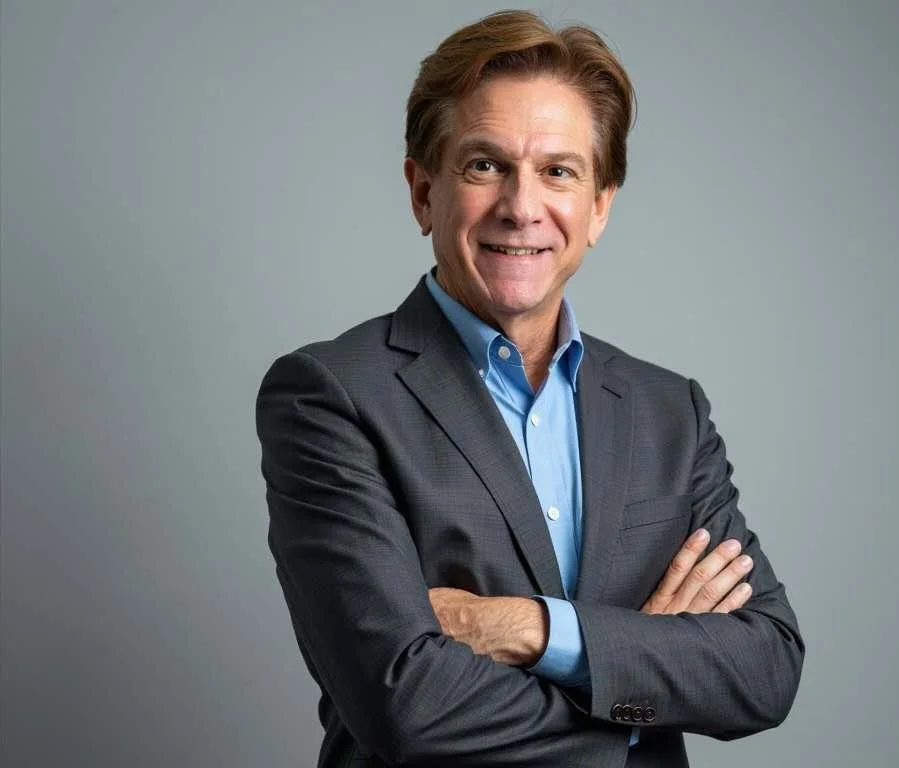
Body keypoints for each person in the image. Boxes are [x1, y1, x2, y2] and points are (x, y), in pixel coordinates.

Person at [256, 10, 803, 767]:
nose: (521, 206)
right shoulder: (332, 396)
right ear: (423, 192)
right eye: (485, 165)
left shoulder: (667, 412)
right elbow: (405, 706)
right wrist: (638, 685)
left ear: (599, 206)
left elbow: (765, 669)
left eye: (559, 171)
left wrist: (533, 629)